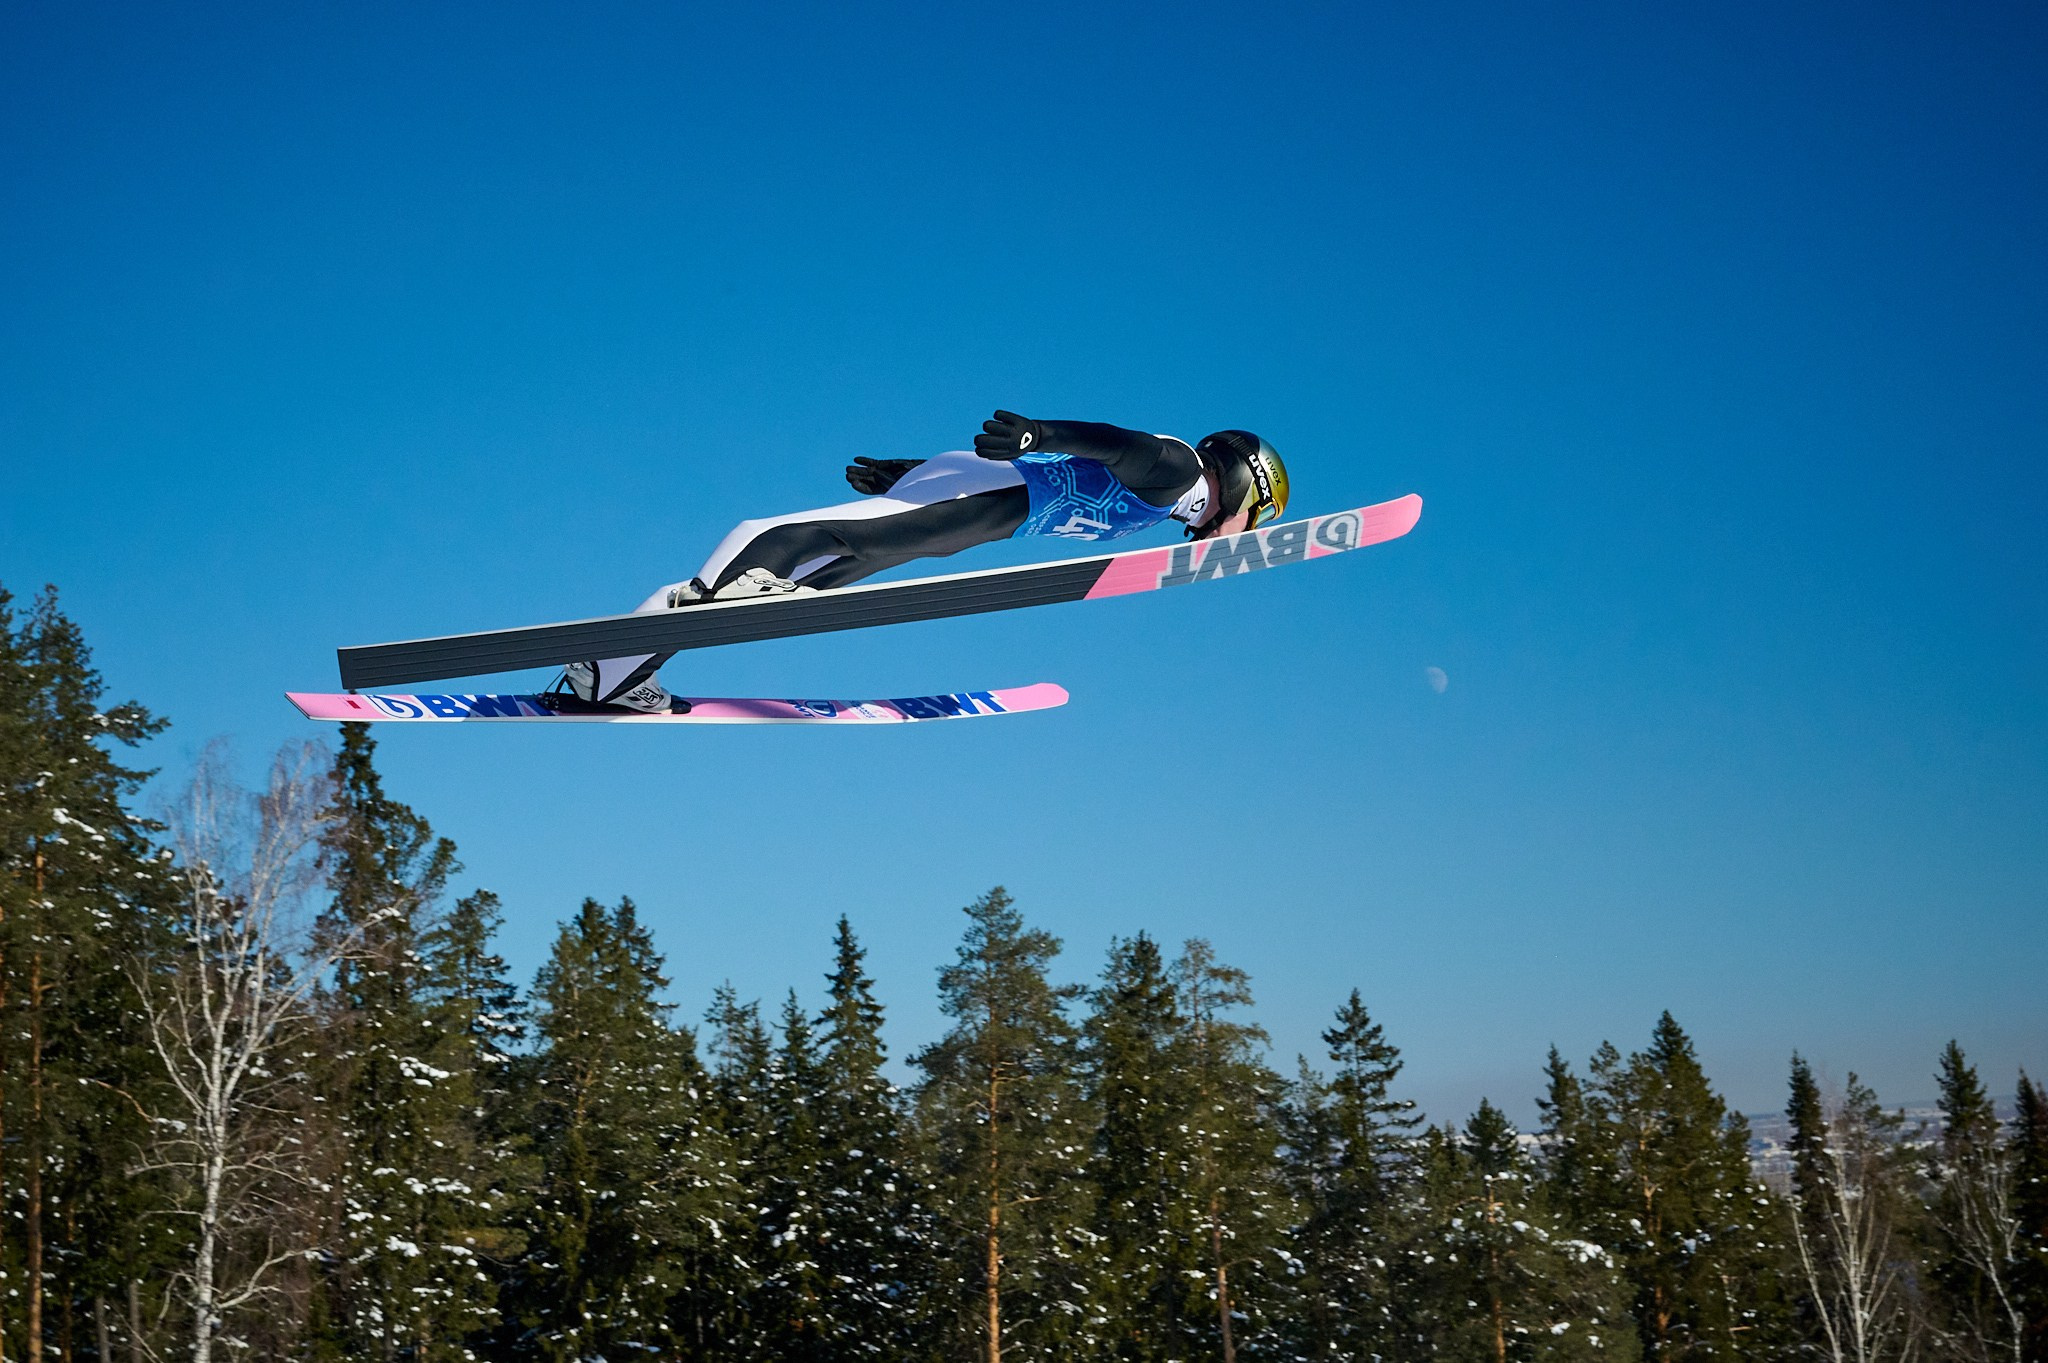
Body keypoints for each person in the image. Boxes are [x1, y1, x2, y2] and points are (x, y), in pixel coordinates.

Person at [553, 411, 1289, 712]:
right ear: (1241, 484)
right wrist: (1040, 433)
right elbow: (1119, 445)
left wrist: (910, 474)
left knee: (827, 570)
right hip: (993, 493)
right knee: (808, 539)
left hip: (982, 497)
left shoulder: (1173, 503)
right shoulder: (1181, 473)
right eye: (1256, 518)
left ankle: (610, 672)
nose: (1245, 532)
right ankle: (625, 661)